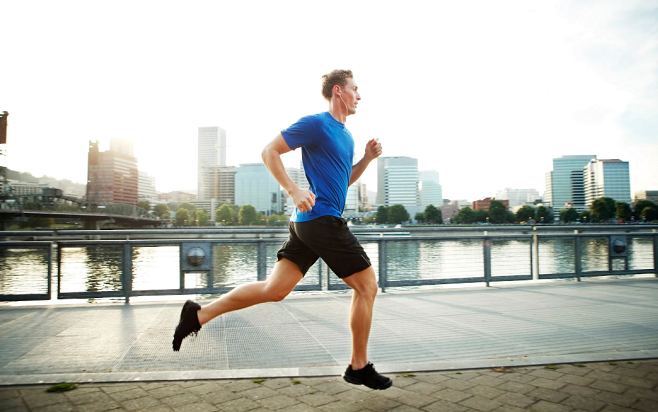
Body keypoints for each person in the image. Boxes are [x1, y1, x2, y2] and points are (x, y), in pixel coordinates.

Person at [173, 69, 391, 390]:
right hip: (321, 220)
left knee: (274, 290)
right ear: (337, 91)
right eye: (355, 89)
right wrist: (293, 190)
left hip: (307, 222)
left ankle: (198, 315)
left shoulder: (346, 135)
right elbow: (269, 151)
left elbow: (343, 180)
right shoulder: (316, 123)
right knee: (367, 287)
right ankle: (358, 366)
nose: (360, 95)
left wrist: (367, 159)